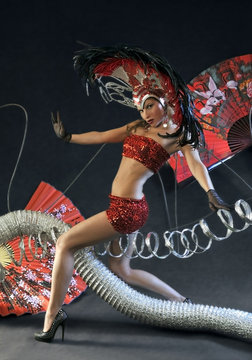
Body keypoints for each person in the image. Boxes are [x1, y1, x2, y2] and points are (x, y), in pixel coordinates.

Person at [34, 45, 231, 342]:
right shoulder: (137, 126)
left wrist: (211, 192)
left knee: (65, 243)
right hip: (128, 206)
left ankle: (53, 317)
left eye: (149, 106)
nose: (145, 113)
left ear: (163, 101)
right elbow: (102, 136)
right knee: (122, 269)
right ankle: (181, 302)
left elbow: (196, 163)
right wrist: (69, 137)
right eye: (141, 108)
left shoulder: (176, 137)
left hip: (126, 211)